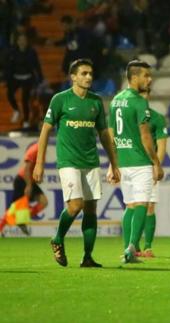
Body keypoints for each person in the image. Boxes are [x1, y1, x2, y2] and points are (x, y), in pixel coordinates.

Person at [33, 58, 121, 268]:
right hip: (68, 161)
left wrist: (114, 164)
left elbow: (104, 134)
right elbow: (45, 131)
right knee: (75, 205)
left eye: (90, 73)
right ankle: (57, 239)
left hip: (90, 161)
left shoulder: (96, 101)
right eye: (83, 73)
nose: (88, 77)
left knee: (90, 209)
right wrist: (39, 162)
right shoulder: (60, 99)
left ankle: (87, 257)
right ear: (73, 77)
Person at [109, 60, 164, 263]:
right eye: (146, 76)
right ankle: (132, 249)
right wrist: (156, 162)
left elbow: (111, 134)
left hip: (123, 161)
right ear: (134, 78)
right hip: (140, 161)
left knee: (130, 206)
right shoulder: (139, 101)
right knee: (142, 203)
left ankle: (126, 248)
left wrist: (112, 163)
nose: (150, 80)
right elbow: (145, 136)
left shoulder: (116, 100)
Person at [135, 89, 168, 257]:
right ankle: (133, 246)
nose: (143, 97)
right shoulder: (128, 115)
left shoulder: (156, 118)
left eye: (146, 94)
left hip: (149, 166)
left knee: (150, 206)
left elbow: (161, 145)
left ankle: (147, 246)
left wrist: (157, 165)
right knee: (134, 206)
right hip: (132, 165)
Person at [0, 142, 48, 236]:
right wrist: (28, 185)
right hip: (23, 181)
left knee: (44, 202)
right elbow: (26, 169)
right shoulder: (34, 149)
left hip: (30, 181)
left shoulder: (41, 150)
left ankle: (21, 219)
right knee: (13, 208)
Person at [6, 33, 43, 126]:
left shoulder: (31, 52)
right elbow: (9, 66)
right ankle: (16, 110)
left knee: (24, 99)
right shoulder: (12, 52)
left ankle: (26, 120)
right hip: (16, 78)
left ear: (27, 42)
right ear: (17, 41)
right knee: (9, 94)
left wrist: (40, 77)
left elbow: (37, 65)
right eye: (20, 40)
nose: (22, 42)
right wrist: (7, 79)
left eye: (24, 40)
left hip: (27, 78)